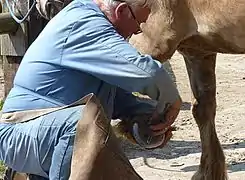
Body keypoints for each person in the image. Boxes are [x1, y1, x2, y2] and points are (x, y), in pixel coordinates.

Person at [0, 0, 181, 179]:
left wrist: (145, 116)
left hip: (45, 132)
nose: (137, 31)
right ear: (122, 11)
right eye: (138, 23)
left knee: (86, 125)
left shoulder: (91, 24)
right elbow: (148, 73)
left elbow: (112, 96)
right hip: (21, 132)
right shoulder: (84, 23)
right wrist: (171, 100)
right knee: (82, 124)